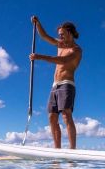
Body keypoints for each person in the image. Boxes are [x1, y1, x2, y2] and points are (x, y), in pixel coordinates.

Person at [29, 16, 82, 149]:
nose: (60, 37)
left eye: (62, 34)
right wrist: (38, 23)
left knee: (65, 115)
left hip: (67, 84)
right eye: (59, 35)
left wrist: (40, 57)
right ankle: (56, 149)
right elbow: (45, 36)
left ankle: (72, 149)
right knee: (52, 117)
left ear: (69, 33)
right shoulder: (60, 44)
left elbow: (62, 61)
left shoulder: (76, 50)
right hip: (55, 85)